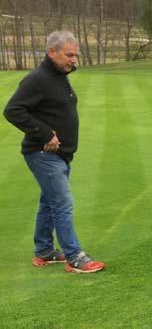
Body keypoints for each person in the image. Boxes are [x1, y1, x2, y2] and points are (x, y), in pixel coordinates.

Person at [4, 31, 105, 273]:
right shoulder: (37, 79)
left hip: (60, 155)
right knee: (62, 203)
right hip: (42, 154)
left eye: (76, 56)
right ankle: (74, 256)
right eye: (69, 55)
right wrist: (45, 133)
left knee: (49, 203)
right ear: (52, 52)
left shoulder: (59, 76)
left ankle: (44, 252)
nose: (74, 60)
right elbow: (13, 110)